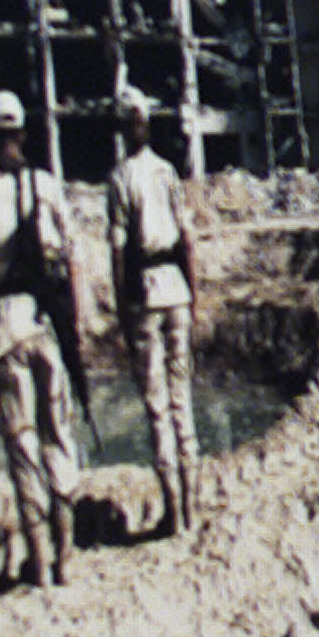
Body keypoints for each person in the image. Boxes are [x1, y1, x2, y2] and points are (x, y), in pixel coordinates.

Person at [0, 92, 89, 587]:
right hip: (48, 326)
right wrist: (74, 326)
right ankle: (66, 558)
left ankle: (38, 561)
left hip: (5, 331)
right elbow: (74, 261)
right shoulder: (47, 185)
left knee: (22, 446)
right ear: (24, 134)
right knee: (59, 436)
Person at [105, 89, 199, 541]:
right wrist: (193, 297)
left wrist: (123, 310)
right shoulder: (166, 173)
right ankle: (193, 506)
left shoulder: (121, 178)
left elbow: (118, 252)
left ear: (125, 128)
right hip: (175, 290)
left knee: (158, 407)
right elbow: (188, 242)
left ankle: (175, 513)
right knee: (183, 402)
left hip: (145, 291)